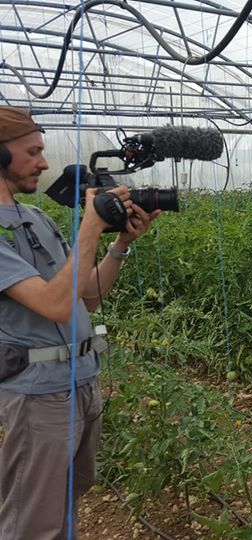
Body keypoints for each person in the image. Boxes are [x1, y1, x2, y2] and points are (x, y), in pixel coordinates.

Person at [0, 106, 159, 538]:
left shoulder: (37, 218)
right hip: (38, 394)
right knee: (32, 519)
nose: (45, 163)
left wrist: (121, 243)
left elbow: (86, 297)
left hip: (81, 382)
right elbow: (53, 305)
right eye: (32, 152)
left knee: (68, 496)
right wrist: (90, 226)